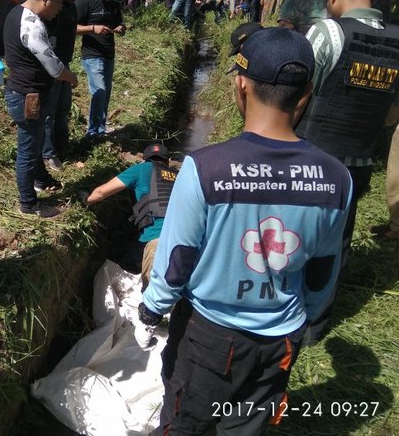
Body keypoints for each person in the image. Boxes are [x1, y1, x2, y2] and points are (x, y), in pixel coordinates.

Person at [135, 27, 352, 434]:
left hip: (209, 338)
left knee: (186, 423)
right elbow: (324, 271)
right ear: (306, 93)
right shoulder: (336, 178)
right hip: (281, 337)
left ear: (239, 84)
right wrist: (309, 317)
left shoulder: (205, 169)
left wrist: (152, 308)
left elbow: (178, 259)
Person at [295, 0, 399, 274]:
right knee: (336, 242)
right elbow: (391, 116)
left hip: (312, 163)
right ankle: (326, 300)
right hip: (359, 165)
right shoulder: (397, 41)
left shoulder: (328, 32)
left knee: (295, 241)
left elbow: (296, 96)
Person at [3, 0, 78, 218]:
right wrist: (72, 78)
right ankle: (28, 203)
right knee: (27, 149)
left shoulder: (16, 13)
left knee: (32, 144)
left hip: (25, 92)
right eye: (58, 4)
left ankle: (40, 179)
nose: (59, 10)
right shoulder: (32, 25)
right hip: (28, 97)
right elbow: (54, 67)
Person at [83, 143, 176, 288]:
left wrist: (85, 199)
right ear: (168, 161)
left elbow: (101, 193)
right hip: (187, 240)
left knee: (152, 300)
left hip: (158, 241)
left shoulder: (140, 169)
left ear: (145, 159)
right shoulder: (178, 175)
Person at [42, 0, 87, 172]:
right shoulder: (52, 6)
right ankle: (48, 153)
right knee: (49, 112)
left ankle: (63, 146)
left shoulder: (71, 6)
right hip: (51, 67)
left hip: (65, 64)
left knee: (63, 109)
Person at [76, 0, 126, 137]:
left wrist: (121, 28)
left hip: (108, 53)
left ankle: (100, 128)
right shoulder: (87, 1)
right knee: (99, 90)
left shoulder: (114, 4)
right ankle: (92, 131)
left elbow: (119, 22)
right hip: (92, 55)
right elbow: (72, 27)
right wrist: (92, 28)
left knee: (106, 93)